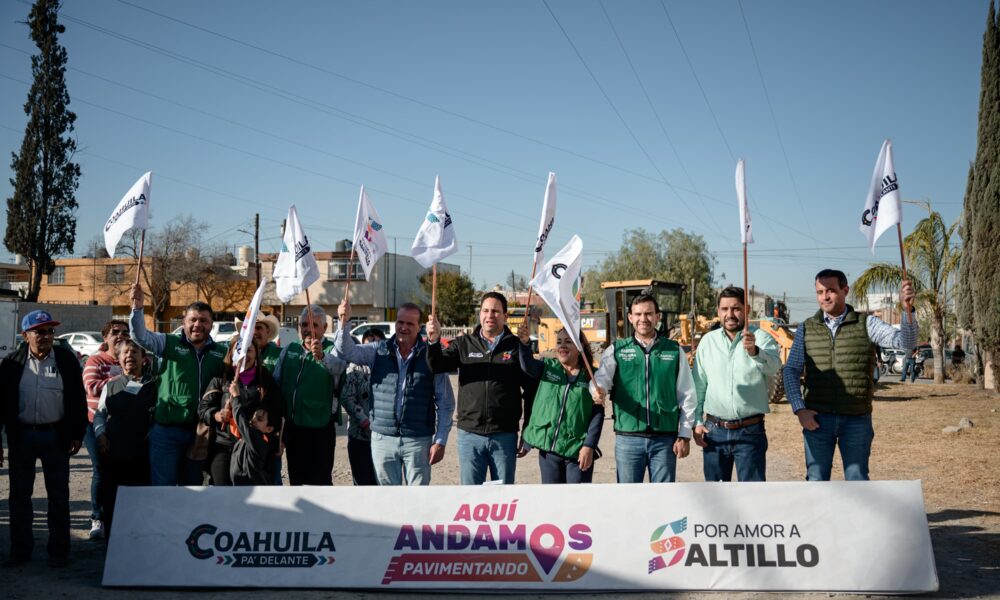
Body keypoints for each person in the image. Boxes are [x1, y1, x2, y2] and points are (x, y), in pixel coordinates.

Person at [782, 269, 917, 481]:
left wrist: (907, 310)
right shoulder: (806, 328)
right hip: (817, 421)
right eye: (820, 292)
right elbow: (791, 369)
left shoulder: (867, 324)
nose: (825, 297)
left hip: (856, 420)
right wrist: (799, 409)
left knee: (857, 481)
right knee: (816, 481)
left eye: (831, 290)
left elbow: (906, 344)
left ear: (845, 290)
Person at [0, 310, 87, 568]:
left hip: (56, 437)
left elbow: (78, 399)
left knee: (58, 496)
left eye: (50, 331)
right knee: (20, 496)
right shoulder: (12, 363)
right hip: (22, 437)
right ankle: (20, 550)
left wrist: (77, 433)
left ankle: (59, 552)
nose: (46, 336)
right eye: (39, 331)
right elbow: (0, 404)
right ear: (25, 335)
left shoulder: (66, 360)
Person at [335, 300, 454, 486]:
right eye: (400, 322)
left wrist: (440, 440)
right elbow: (345, 352)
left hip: (418, 439)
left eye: (410, 323)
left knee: (418, 498)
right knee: (388, 499)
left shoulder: (432, 356)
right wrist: (344, 321)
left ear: (419, 327)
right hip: (383, 439)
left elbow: (445, 403)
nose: (403, 327)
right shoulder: (378, 350)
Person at [426, 292, 536, 485]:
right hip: (470, 435)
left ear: (505, 316)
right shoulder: (463, 344)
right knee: (470, 496)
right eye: (485, 311)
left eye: (495, 311)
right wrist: (434, 341)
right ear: (480, 314)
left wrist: (527, 430)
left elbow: (531, 390)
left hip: (504, 435)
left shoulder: (517, 346)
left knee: (503, 497)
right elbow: (436, 366)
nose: (490, 315)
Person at [592, 294, 697, 483]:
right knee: (630, 497)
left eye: (648, 314)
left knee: (664, 496)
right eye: (638, 314)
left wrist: (685, 434)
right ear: (630, 317)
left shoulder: (674, 351)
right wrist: (597, 391)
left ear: (657, 317)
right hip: (628, 440)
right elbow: (601, 380)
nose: (643, 319)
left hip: (664, 441)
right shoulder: (616, 350)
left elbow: (687, 394)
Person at [129, 283, 226, 486]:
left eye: (203, 320)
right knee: (163, 487)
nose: (197, 325)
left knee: (194, 487)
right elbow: (140, 336)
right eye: (193, 320)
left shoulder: (221, 353)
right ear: (184, 322)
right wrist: (137, 308)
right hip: (167, 432)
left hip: (202, 432)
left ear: (211, 324)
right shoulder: (168, 343)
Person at [691, 287, 781, 482]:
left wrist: (755, 351)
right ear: (718, 311)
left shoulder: (761, 338)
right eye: (724, 309)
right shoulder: (708, 342)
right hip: (714, 430)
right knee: (715, 494)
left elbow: (774, 367)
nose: (730, 314)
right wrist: (697, 421)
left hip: (750, 431)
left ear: (746, 309)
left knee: (751, 494)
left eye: (736, 308)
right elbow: (699, 386)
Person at [518, 326, 604, 484]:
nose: (562, 346)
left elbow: (597, 414)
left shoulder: (593, 376)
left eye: (568, 341)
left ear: (580, 347)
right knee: (552, 498)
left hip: (578, 451)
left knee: (577, 499)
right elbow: (527, 366)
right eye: (559, 341)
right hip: (549, 453)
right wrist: (524, 344)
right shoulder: (547, 367)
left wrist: (589, 445)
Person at [273, 305, 347, 486]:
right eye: (304, 324)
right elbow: (276, 382)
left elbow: (339, 368)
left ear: (325, 328)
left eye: (314, 325)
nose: (308, 329)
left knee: (320, 483)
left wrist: (322, 357)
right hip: (293, 428)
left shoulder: (332, 349)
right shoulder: (290, 349)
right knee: (296, 481)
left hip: (320, 428)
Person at [93, 338, 156, 538]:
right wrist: (100, 434)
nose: (129, 356)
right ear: (119, 359)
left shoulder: (154, 384)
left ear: (143, 358)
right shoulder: (111, 385)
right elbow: (100, 413)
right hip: (114, 452)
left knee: (140, 500)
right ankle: (112, 542)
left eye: (134, 352)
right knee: (112, 500)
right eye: (125, 353)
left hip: (142, 454)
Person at [200, 339, 283, 486]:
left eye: (249, 350)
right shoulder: (221, 378)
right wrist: (217, 415)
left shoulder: (265, 378)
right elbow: (203, 409)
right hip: (224, 445)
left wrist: (279, 440)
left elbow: (278, 410)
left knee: (252, 493)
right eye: (239, 350)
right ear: (231, 353)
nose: (244, 355)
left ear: (256, 354)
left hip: (253, 448)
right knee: (222, 493)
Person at [81, 319, 130, 540]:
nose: (120, 335)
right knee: (100, 470)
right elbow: (91, 387)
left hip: (124, 426)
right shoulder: (95, 360)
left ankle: (118, 516)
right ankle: (97, 517)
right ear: (105, 337)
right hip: (95, 423)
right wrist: (123, 379)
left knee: (121, 471)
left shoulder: (134, 357)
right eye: (115, 332)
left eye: (125, 332)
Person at [336, 328, 385, 486]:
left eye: (376, 343)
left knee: (382, 484)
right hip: (359, 437)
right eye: (367, 344)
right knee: (362, 484)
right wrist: (364, 421)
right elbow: (347, 398)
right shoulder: (354, 367)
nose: (371, 348)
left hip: (384, 438)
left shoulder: (388, 367)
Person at [229, 388, 282, 486]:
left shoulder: (259, 440)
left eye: (259, 419)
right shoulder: (259, 437)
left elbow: (241, 421)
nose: (253, 420)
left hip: (249, 487)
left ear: (269, 429)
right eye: (254, 415)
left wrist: (236, 397)